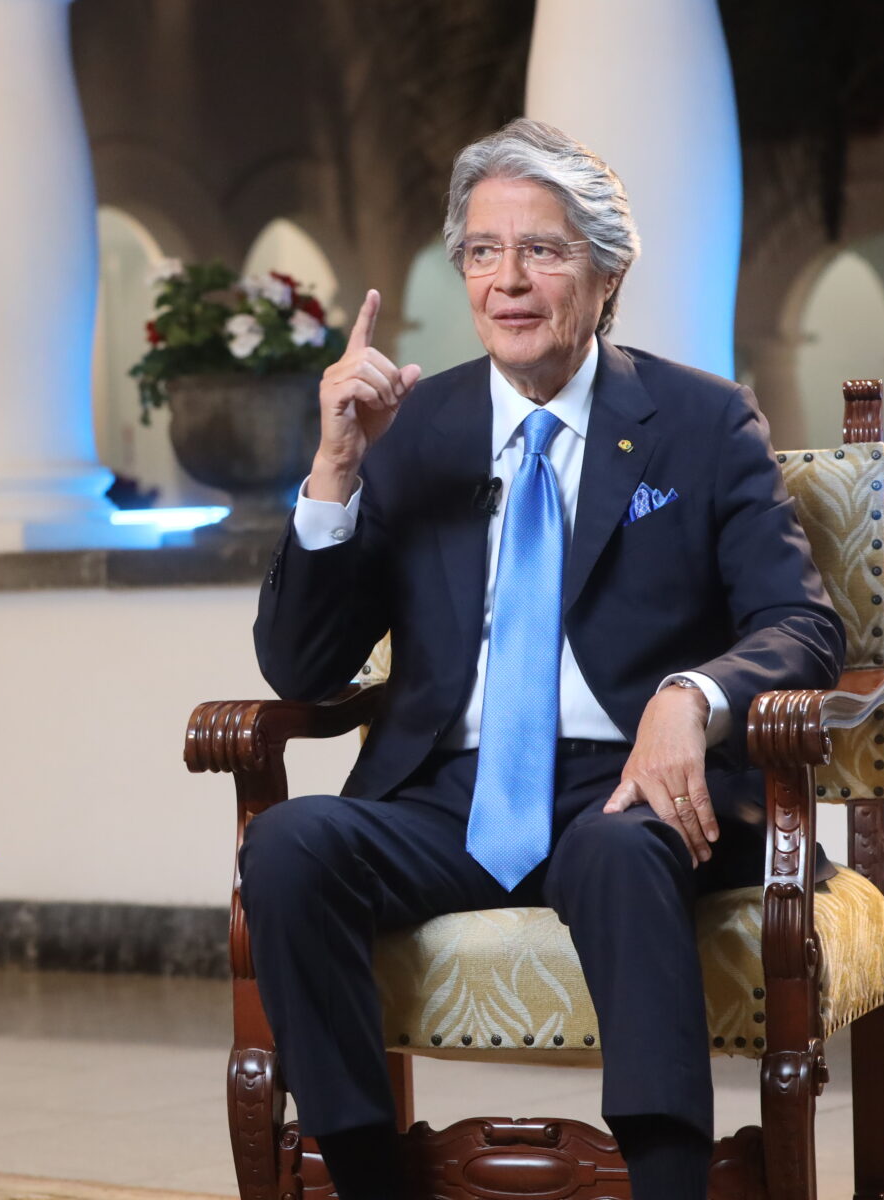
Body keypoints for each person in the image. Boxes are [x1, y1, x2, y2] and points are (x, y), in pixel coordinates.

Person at [242, 118, 843, 1200]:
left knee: (617, 853)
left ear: (607, 276)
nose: (507, 281)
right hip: (447, 797)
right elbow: (302, 668)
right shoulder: (410, 428)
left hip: (631, 787)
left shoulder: (702, 422)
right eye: (482, 251)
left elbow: (800, 625)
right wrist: (334, 471)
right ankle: (365, 1179)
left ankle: (667, 1181)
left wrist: (691, 695)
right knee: (288, 845)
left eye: (541, 250)